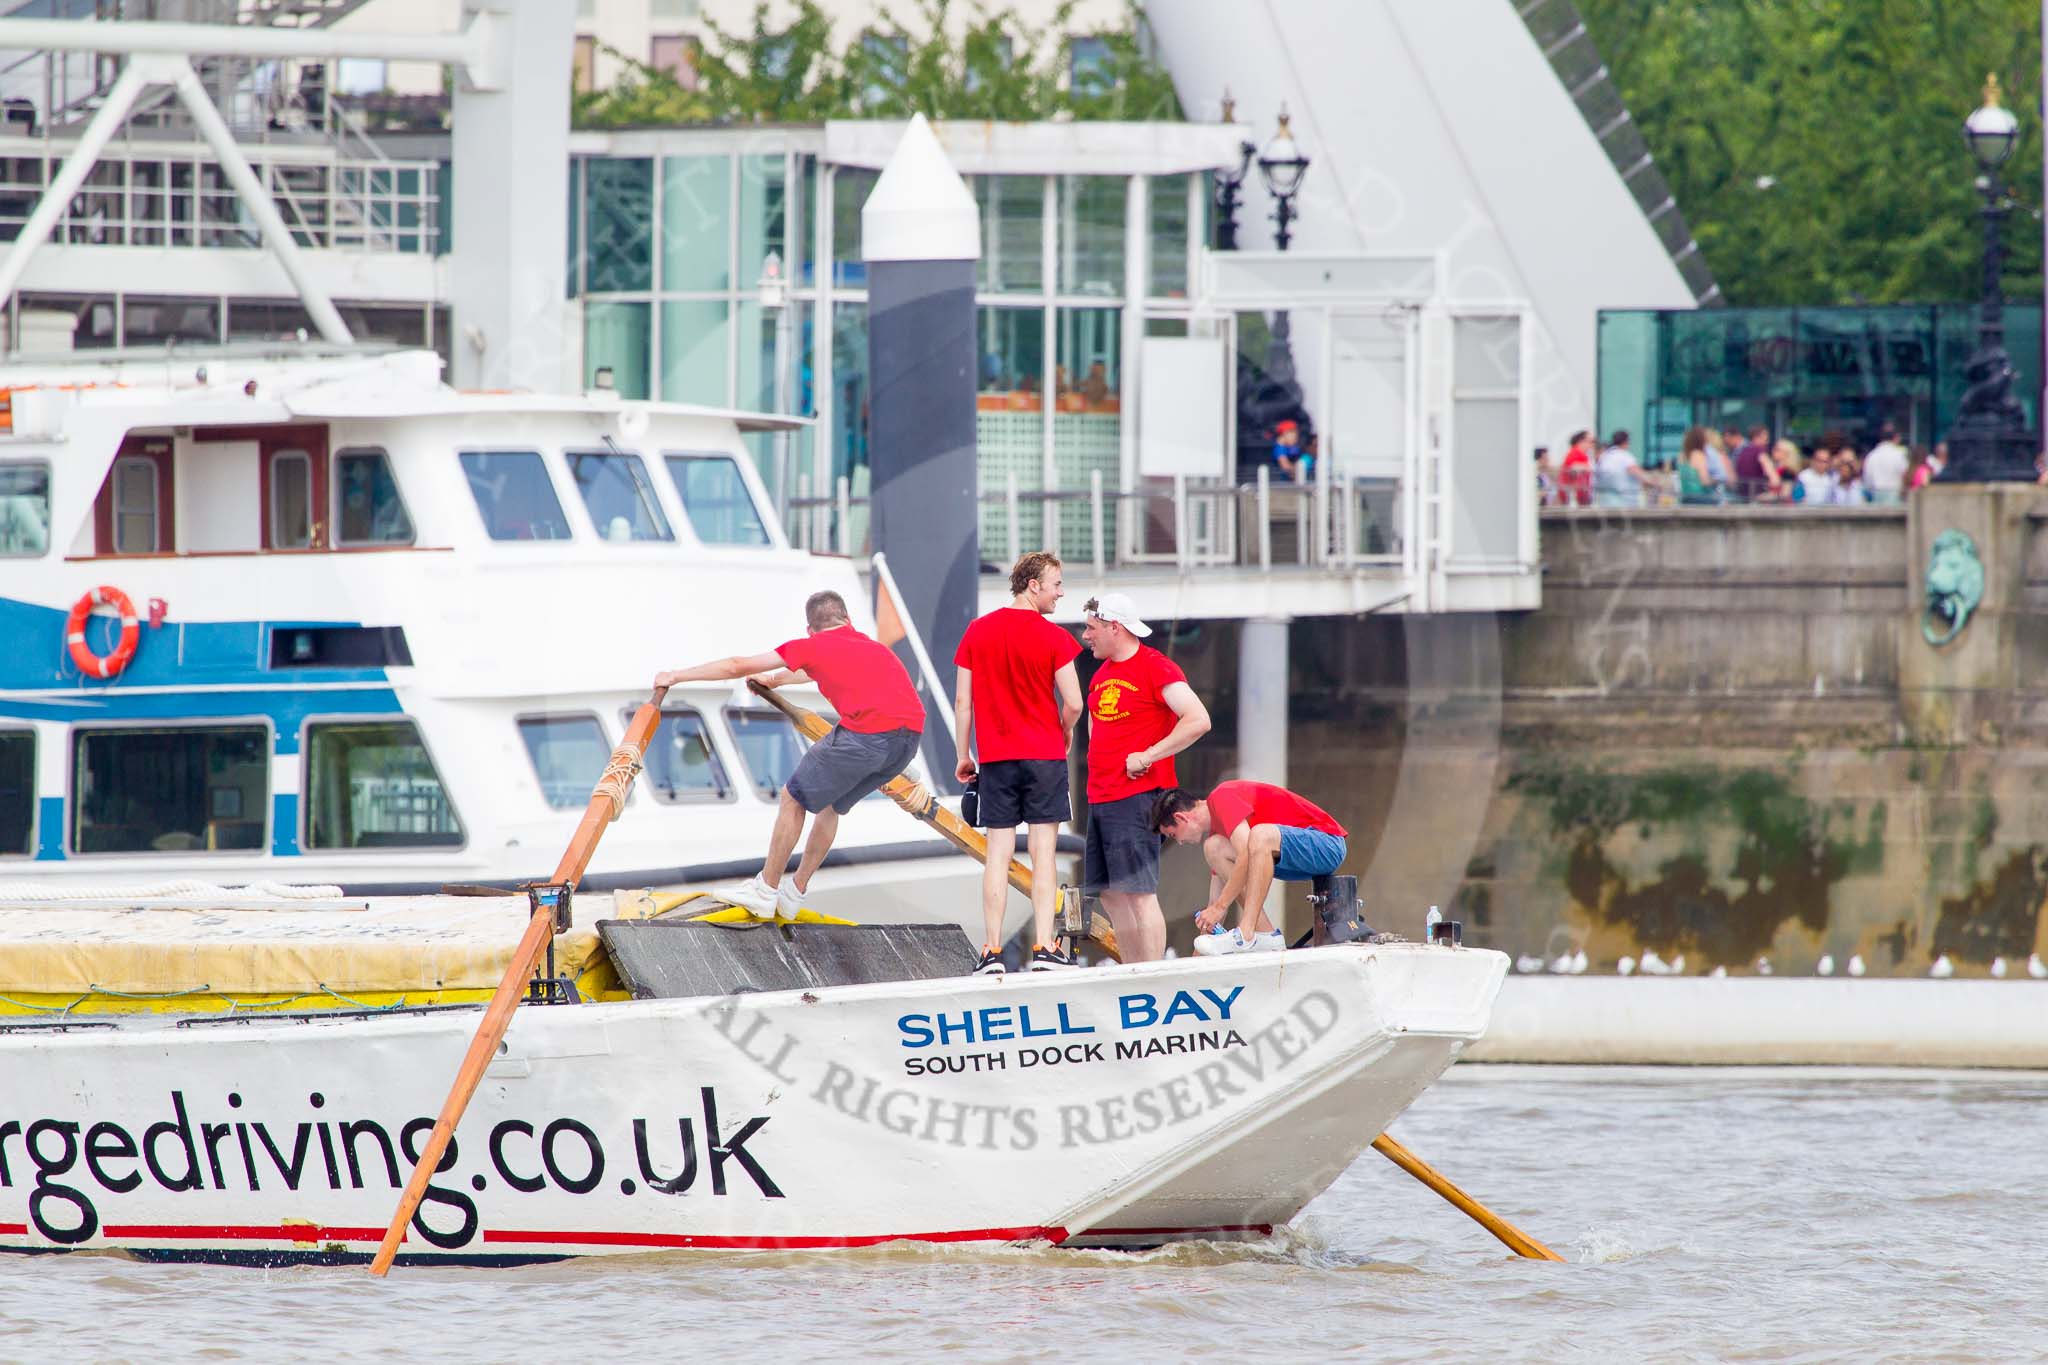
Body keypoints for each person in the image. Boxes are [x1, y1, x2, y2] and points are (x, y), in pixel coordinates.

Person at [652, 590, 924, 919]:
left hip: (867, 736)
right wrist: (775, 681)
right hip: (908, 741)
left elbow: (736, 666)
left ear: (810, 629)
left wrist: (677, 676)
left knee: (792, 797)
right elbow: (812, 670)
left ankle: (765, 890)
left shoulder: (809, 646)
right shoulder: (869, 646)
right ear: (847, 620)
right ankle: (795, 892)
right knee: (830, 804)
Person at [955, 551, 1084, 975]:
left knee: (997, 854)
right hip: (1044, 757)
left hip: (996, 759)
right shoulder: (1054, 638)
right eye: (1056, 584)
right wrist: (1063, 732)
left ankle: (991, 951)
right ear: (1034, 585)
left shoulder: (977, 631)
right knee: (1043, 854)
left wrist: (963, 755)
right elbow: (1074, 702)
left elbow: (963, 702)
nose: (1060, 593)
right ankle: (1045, 947)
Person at [1078, 593, 1211, 964]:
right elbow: (1096, 730)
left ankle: (1151, 974)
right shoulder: (1100, 676)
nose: (1086, 636)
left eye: (1091, 628)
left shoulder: (1156, 666)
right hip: (1101, 795)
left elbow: (1198, 719)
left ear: (1114, 627)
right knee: (1109, 892)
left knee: (1137, 890)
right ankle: (1131, 970)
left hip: (1136, 794)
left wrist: (1150, 755)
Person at [1153, 781, 1348, 954]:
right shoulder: (1217, 834)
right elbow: (1215, 903)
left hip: (1328, 844)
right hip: (1291, 855)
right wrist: (1195, 960)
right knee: (1214, 848)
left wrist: (1220, 906)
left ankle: (1247, 932)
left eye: (1173, 835)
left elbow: (1246, 853)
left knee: (1258, 836)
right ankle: (1266, 935)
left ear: (1181, 818)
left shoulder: (1221, 796)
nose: (1178, 842)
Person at [1594, 429, 1648, 508]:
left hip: (1605, 502)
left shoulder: (1604, 456)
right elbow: (1635, 471)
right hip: (1625, 501)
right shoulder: (1625, 456)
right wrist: (1652, 482)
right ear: (1626, 442)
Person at [1862, 421, 1908, 505]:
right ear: (1896, 438)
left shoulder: (1871, 456)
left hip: (1876, 496)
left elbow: (1867, 481)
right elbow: (1904, 476)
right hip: (1894, 496)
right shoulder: (1899, 455)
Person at [1557, 430, 1595, 506]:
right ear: (1581, 441)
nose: (1592, 445)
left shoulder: (1582, 455)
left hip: (1580, 497)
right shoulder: (1575, 453)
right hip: (1574, 498)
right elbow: (1574, 467)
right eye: (1590, 442)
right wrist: (1590, 467)